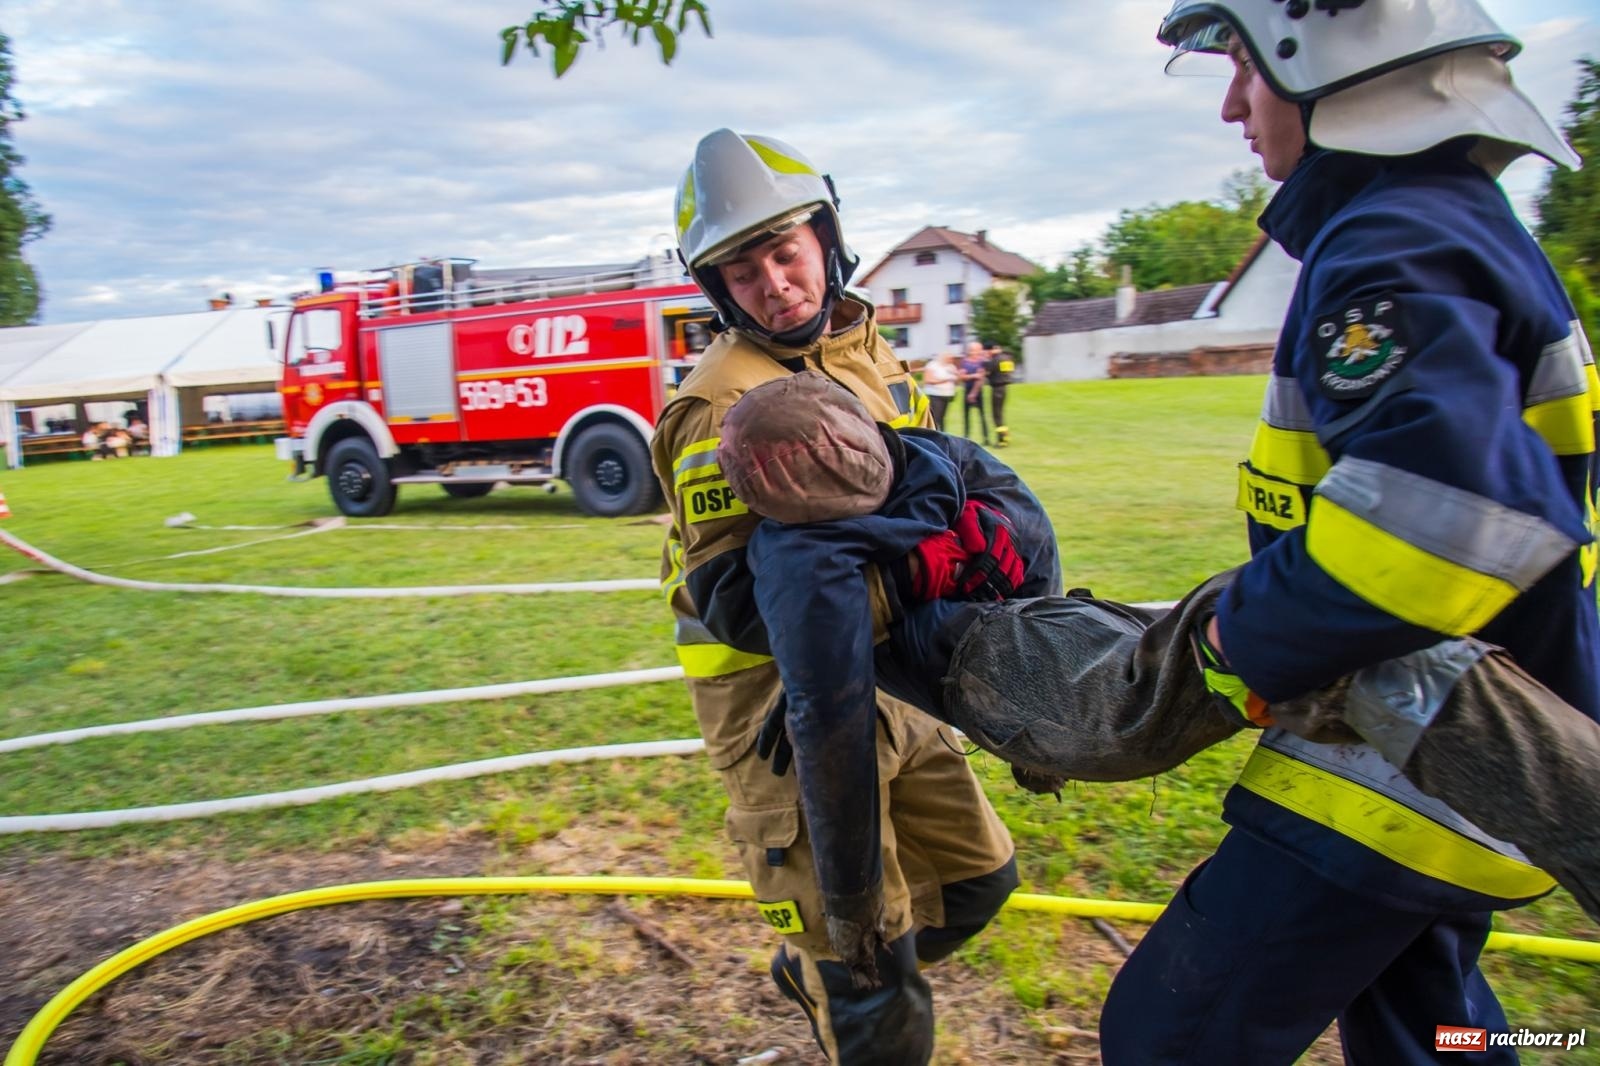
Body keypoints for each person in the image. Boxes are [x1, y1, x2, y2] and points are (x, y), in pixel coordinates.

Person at [1092, 5, 1600, 1063]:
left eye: (1244, 68)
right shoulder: (1452, 221)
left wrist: (1249, 635)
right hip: (1477, 742)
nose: (1232, 104)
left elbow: (1442, 520)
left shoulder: (1391, 241)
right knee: (1430, 1029)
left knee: (1166, 1036)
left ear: (1325, 59)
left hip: (1403, 763)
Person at [718, 372, 1600, 932]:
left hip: (1020, 669)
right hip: (1071, 628)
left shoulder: (802, 561)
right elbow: (1033, 539)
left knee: (1326, 649)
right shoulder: (940, 456)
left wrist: (850, 908)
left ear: (761, 491)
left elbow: (831, 727)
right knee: (1346, 657)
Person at [650, 129, 1020, 1065]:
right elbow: (736, 596)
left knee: (979, 883)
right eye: (743, 270)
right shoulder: (719, 404)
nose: (775, 282)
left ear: (825, 239)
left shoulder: (869, 355)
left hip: (898, 687)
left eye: (785, 251)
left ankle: (811, 968)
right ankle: (840, 976)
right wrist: (909, 566)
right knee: (873, 983)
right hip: (788, 719)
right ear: (717, 289)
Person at [957, 341, 989, 445]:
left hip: (978, 391)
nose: (977, 352)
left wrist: (973, 393)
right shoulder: (965, 362)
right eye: (975, 350)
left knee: (983, 415)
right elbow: (961, 377)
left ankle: (986, 438)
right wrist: (974, 376)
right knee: (966, 415)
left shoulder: (982, 362)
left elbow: (981, 377)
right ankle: (966, 437)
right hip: (967, 389)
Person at [983, 345, 1015, 447]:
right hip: (1004, 387)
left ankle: (1002, 440)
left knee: (996, 415)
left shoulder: (995, 360)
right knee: (1000, 414)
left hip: (997, 388)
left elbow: (987, 373)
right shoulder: (1008, 359)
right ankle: (1005, 437)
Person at [919, 350, 959, 430]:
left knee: (943, 417)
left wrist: (956, 375)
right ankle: (935, 432)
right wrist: (946, 379)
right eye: (949, 358)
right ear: (943, 357)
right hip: (936, 394)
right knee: (936, 416)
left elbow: (957, 380)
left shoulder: (951, 366)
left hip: (947, 394)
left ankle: (943, 433)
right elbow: (928, 380)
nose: (951, 360)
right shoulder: (932, 365)